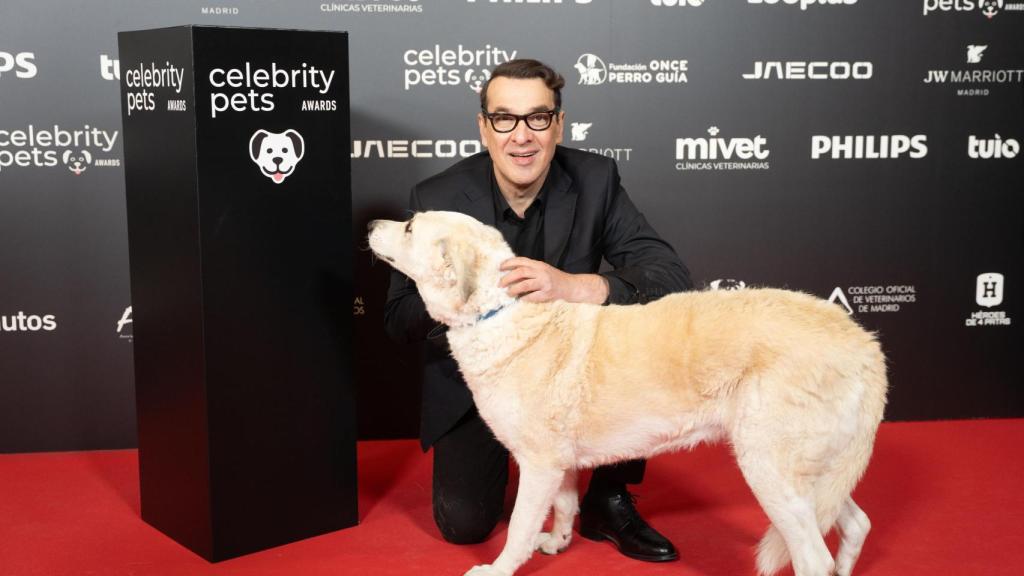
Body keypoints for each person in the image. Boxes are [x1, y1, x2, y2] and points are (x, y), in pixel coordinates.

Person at [383, 59, 692, 562]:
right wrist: (454, 289)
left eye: (538, 118)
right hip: (479, 384)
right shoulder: (437, 198)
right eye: (504, 118)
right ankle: (535, 472)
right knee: (463, 525)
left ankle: (606, 499)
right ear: (484, 127)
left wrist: (576, 286)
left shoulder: (596, 178)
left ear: (559, 123)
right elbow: (397, 320)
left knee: (632, 342)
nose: (521, 136)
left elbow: (668, 276)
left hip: (576, 377)